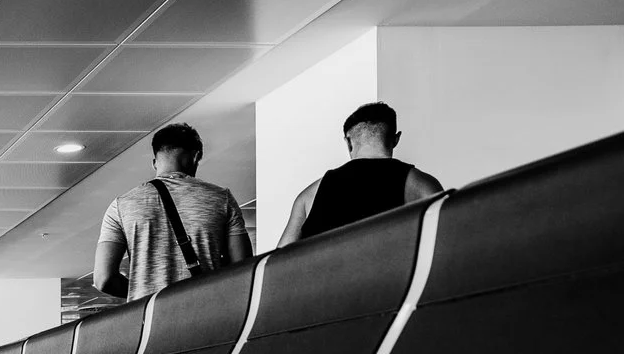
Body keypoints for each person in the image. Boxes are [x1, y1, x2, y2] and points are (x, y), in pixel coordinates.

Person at [92, 123, 251, 300]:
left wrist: (144, 293)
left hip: (148, 320)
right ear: (196, 156)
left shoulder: (122, 205)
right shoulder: (222, 199)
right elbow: (242, 270)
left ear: (154, 163)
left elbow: (103, 279)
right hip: (207, 314)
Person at [278, 101, 442, 247]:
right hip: (390, 280)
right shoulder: (420, 184)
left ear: (348, 142)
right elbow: (445, 241)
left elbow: (278, 261)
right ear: (395, 139)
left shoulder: (309, 195)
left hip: (324, 280)